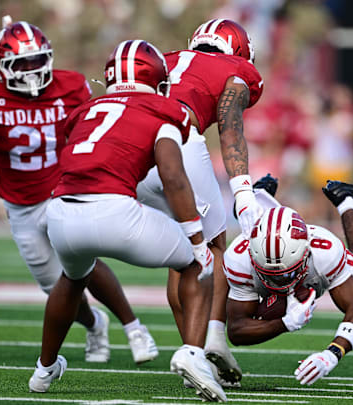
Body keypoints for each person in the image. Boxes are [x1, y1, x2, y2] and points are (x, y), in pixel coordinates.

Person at [0, 17, 157, 366]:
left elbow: (92, 129)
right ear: (2, 66)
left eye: (38, 60)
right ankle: (96, 323)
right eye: (22, 63)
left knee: (85, 263)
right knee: (59, 289)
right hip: (20, 205)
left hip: (65, 191)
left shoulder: (71, 86)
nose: (32, 70)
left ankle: (134, 327)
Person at [28, 39, 226, 402]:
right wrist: (197, 238)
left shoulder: (86, 109)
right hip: (114, 212)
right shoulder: (165, 109)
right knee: (198, 264)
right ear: (156, 79)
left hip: (60, 214)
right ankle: (193, 355)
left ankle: (44, 369)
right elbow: (172, 174)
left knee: (72, 279)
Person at [135, 18, 264, 385]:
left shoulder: (165, 57)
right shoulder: (237, 69)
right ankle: (213, 342)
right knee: (213, 246)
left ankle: (193, 353)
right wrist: (242, 189)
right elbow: (230, 123)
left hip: (136, 152)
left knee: (182, 254)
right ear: (239, 50)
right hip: (177, 142)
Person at [223, 178, 353, 386]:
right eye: (271, 274)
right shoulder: (238, 258)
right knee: (224, 267)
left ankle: (346, 202)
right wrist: (285, 323)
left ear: (305, 252)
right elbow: (236, 331)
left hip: (312, 260)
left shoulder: (324, 252)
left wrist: (332, 354)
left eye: (286, 273)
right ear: (252, 254)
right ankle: (258, 195)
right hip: (269, 247)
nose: (279, 280)